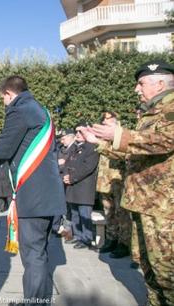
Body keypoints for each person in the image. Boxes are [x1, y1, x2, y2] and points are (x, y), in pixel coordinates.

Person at [78, 59, 174, 306]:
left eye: (141, 83)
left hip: (164, 208)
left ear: (160, 83)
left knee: (167, 273)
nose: (136, 89)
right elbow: (134, 153)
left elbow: (165, 140)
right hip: (145, 203)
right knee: (148, 267)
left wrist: (118, 135)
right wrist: (98, 142)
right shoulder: (151, 113)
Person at [0, 75, 66, 306]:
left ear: (9, 94)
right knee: (40, 252)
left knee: (33, 254)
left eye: (3, 99)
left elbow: (5, 148)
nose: (4, 104)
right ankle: (38, 299)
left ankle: (34, 303)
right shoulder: (41, 110)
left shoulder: (19, 110)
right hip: (48, 195)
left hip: (34, 196)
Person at [95, 111, 131, 258]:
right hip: (105, 181)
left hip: (118, 181)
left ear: (116, 120)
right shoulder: (103, 137)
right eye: (103, 120)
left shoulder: (122, 135)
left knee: (121, 214)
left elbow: (125, 155)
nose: (104, 122)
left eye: (107, 120)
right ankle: (111, 239)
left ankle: (124, 243)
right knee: (109, 212)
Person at [62, 125, 99, 249]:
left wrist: (71, 178)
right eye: (76, 132)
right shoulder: (75, 148)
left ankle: (86, 238)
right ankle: (78, 236)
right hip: (73, 187)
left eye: (80, 132)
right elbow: (67, 163)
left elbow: (87, 168)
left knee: (84, 214)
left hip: (84, 187)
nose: (77, 134)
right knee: (75, 213)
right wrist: (66, 175)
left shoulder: (92, 148)